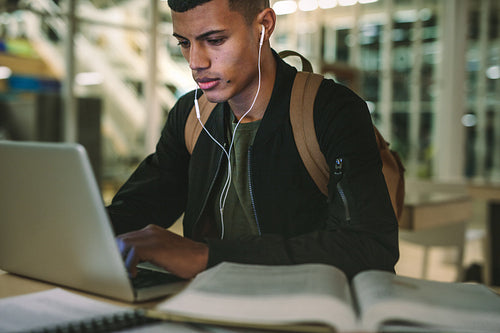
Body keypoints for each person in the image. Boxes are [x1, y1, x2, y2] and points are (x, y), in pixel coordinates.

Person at [108, 0, 399, 280]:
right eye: (184, 43)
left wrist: (208, 256)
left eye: (215, 40)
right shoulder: (191, 115)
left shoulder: (331, 110)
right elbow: (139, 205)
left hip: (299, 310)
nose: (196, 62)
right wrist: (86, 230)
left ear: (264, 25)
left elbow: (370, 246)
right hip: (205, 307)